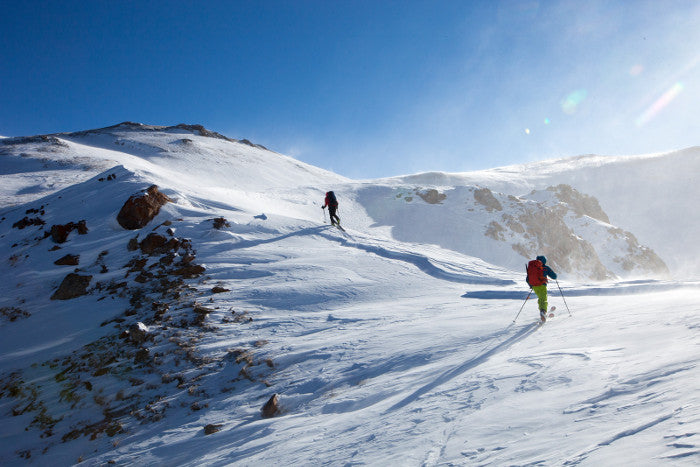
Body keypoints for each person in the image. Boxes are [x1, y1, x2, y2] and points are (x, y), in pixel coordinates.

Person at [526, 255, 557, 322]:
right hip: (542, 285)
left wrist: (531, 285)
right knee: (543, 298)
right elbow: (554, 276)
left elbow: (527, 279)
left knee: (540, 298)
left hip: (534, 286)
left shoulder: (532, 267)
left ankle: (542, 311)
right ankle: (543, 311)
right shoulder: (545, 268)